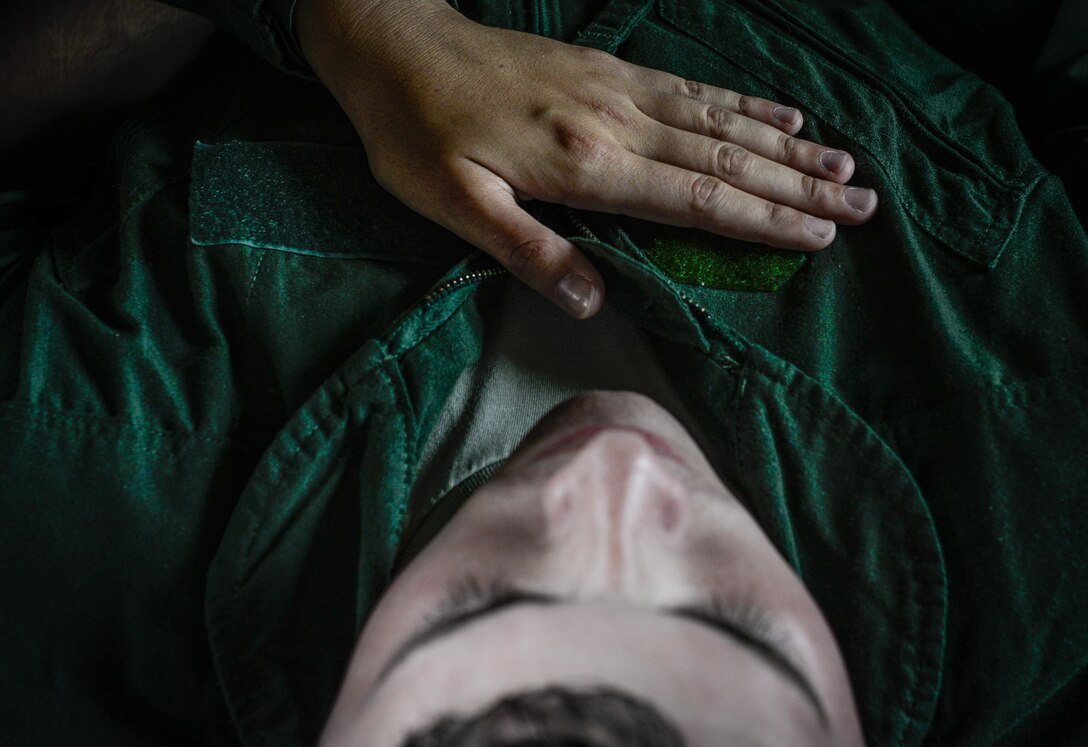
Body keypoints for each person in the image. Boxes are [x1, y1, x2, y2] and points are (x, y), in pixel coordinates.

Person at [1, 0, 1086, 745]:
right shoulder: (1048, 513)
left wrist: (353, 26)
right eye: (734, 620)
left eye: (463, 609)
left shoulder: (59, 519)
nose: (605, 473)